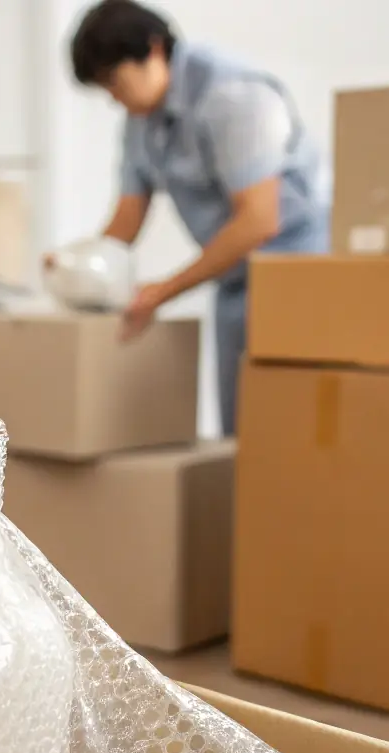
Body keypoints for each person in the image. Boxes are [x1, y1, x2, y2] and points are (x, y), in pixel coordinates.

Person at [64, 0, 328, 437]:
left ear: (152, 50)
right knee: (240, 432)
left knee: (293, 430)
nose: (113, 98)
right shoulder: (140, 120)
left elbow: (260, 219)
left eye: (114, 80)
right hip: (235, 280)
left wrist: (161, 292)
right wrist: (78, 274)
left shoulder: (233, 96)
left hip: (298, 269)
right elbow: (127, 217)